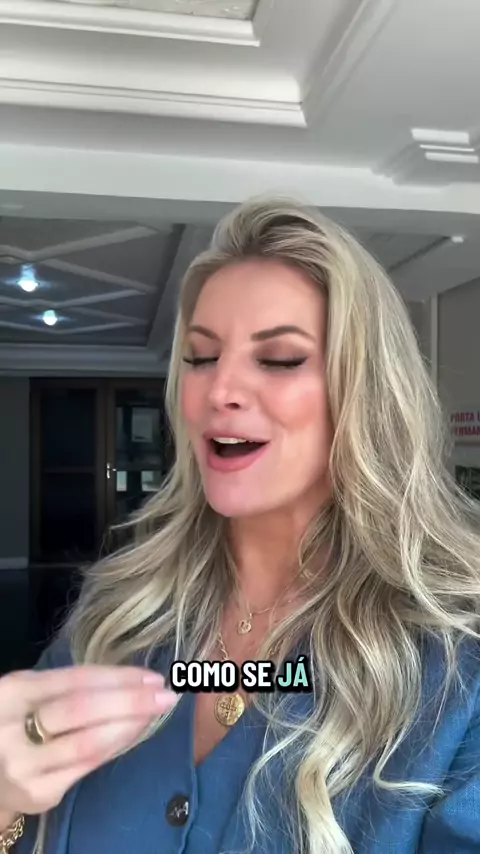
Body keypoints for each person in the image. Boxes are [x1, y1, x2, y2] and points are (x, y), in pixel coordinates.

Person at [0, 197, 479, 854]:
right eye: (200, 357)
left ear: (363, 392)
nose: (218, 390)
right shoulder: (118, 608)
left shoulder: (458, 668)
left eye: (279, 358)